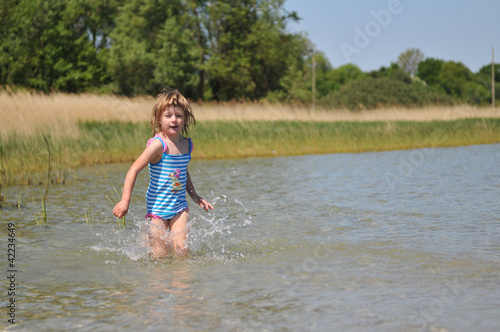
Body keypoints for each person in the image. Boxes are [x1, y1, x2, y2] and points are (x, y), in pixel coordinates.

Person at [113, 90, 213, 258]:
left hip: (179, 208)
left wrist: (195, 196)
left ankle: (181, 281)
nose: (174, 120)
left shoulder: (187, 145)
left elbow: (182, 172)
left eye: (179, 116)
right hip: (157, 209)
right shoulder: (158, 145)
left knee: (181, 251)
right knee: (159, 256)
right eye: (168, 115)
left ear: (185, 119)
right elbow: (134, 169)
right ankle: (149, 245)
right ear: (159, 119)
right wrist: (125, 200)